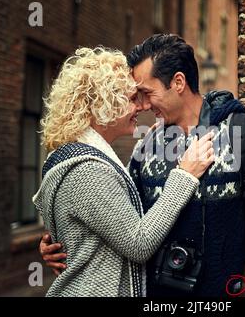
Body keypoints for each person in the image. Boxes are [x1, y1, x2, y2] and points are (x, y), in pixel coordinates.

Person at [40, 34, 245, 297]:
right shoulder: (147, 145)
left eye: (146, 93)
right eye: (135, 95)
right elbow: (123, 224)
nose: (141, 105)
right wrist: (66, 242)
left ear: (178, 82)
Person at [33, 46, 214, 297]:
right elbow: (139, 243)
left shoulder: (76, 156)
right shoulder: (86, 171)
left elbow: (114, 204)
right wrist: (185, 174)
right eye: (130, 99)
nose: (139, 107)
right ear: (103, 105)